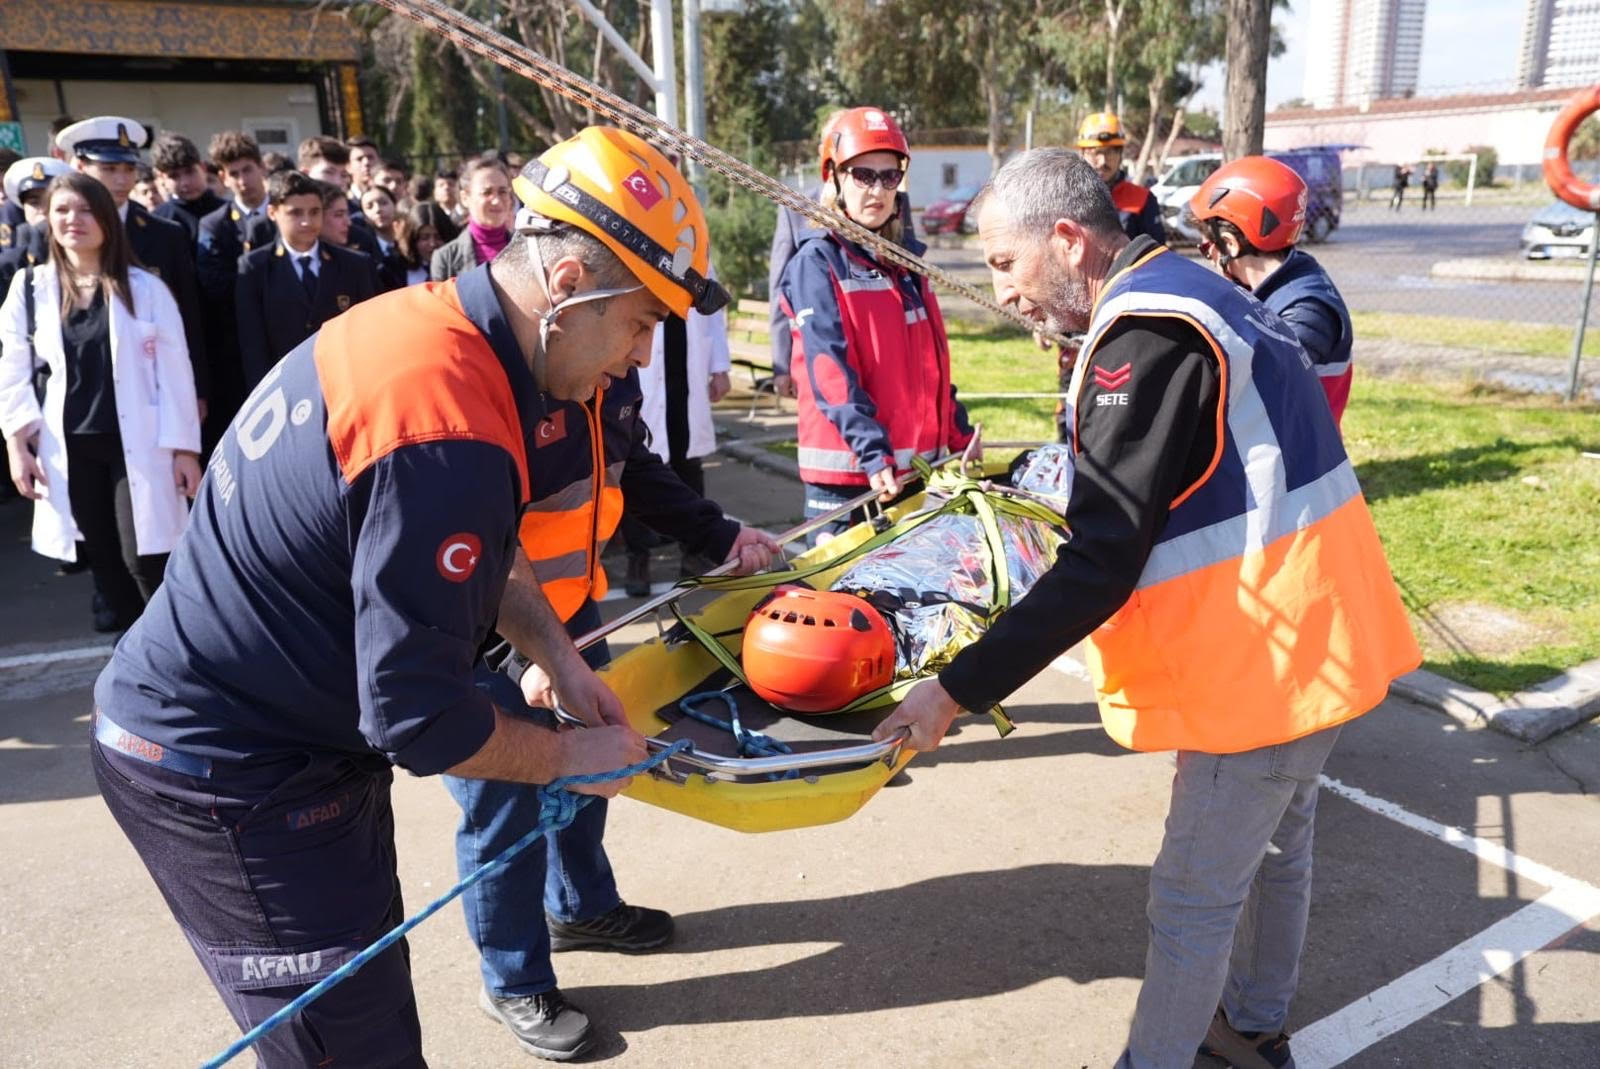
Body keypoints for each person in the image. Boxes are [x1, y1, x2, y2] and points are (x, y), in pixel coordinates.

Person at [89, 124, 724, 1068]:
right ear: (567, 287)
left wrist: (555, 656)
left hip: (289, 743)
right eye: (639, 323)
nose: (638, 356)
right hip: (230, 772)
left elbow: (489, 552)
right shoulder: (446, 424)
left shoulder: (443, 330)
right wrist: (568, 756)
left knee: (373, 1014)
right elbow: (419, 720)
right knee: (351, 1049)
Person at [874, 147, 1421, 1069]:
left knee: (1192, 898)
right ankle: (1253, 1025)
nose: (1002, 294)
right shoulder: (1189, 286)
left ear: (1067, 240)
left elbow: (1102, 558)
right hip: (1324, 633)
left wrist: (954, 690)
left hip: (1261, 665)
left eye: (1006, 265)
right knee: (1281, 849)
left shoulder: (1145, 333)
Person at [1, 172, 202, 631]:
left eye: (87, 210)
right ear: (48, 220)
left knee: (145, 559)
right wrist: (17, 443)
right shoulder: (30, 289)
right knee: (105, 563)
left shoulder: (144, 288)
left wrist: (185, 449)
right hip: (70, 446)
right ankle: (135, 670)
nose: (74, 219)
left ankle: (178, 656)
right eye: (63, 210)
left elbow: (175, 373)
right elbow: (12, 368)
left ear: (108, 220)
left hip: (138, 446)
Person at [777, 107, 974, 543]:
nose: (878, 190)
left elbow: (932, 370)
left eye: (889, 177)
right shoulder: (817, 263)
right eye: (863, 175)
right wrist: (873, 454)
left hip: (912, 475)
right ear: (835, 177)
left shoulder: (905, 264)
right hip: (851, 481)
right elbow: (830, 371)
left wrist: (960, 434)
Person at [58, 116, 210, 424]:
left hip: (155, 390)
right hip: (82, 398)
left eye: (128, 169)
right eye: (110, 169)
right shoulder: (57, 235)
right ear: (80, 168)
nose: (122, 180)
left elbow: (189, 318)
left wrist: (198, 388)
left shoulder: (166, 234)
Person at [1189, 156, 1355, 428]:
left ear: (1230, 245)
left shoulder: (1306, 311)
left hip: (1301, 463)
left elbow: (1251, 389)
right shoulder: (1267, 289)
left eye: (1207, 249)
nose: (1208, 259)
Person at [621, 288, 734, 593]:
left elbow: (713, 313)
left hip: (684, 362)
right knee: (637, 464)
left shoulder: (698, 248)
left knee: (688, 463)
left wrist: (719, 367)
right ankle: (638, 558)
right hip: (646, 361)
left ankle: (694, 554)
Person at [234, 170, 378, 388]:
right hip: (285, 386)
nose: (306, 222)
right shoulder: (254, 268)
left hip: (345, 382)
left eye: (314, 212)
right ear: (272, 212)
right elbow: (253, 344)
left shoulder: (354, 265)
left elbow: (367, 331)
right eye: (296, 213)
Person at [196, 131, 276, 446]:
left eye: (248, 170)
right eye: (234, 173)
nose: (243, 180)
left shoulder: (285, 214)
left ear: (261, 168)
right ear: (222, 178)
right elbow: (213, 284)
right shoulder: (214, 225)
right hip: (238, 348)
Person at [1076, 112, 1166, 243]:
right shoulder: (1066, 198)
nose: (1102, 161)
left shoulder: (1142, 199)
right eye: (1095, 152)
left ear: (1120, 154)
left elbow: (1157, 255)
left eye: (1110, 152)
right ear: (1082, 154)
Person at [431, 155, 513, 281]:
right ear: (465, 198)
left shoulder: (530, 248)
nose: (496, 201)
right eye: (487, 193)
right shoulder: (446, 258)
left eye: (502, 192)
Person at [151, 131, 225, 240]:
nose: (185, 182)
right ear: (162, 178)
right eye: (174, 176)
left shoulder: (227, 212)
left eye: (190, 172)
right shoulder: (159, 220)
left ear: (203, 168)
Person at [360, 184, 409, 291]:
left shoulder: (410, 242)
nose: (378, 209)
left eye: (383, 203)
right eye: (369, 207)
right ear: (364, 217)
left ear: (395, 205)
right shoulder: (365, 253)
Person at [398, 201, 457, 286]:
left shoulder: (457, 266)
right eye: (424, 238)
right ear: (412, 239)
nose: (432, 244)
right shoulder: (398, 269)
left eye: (438, 237)